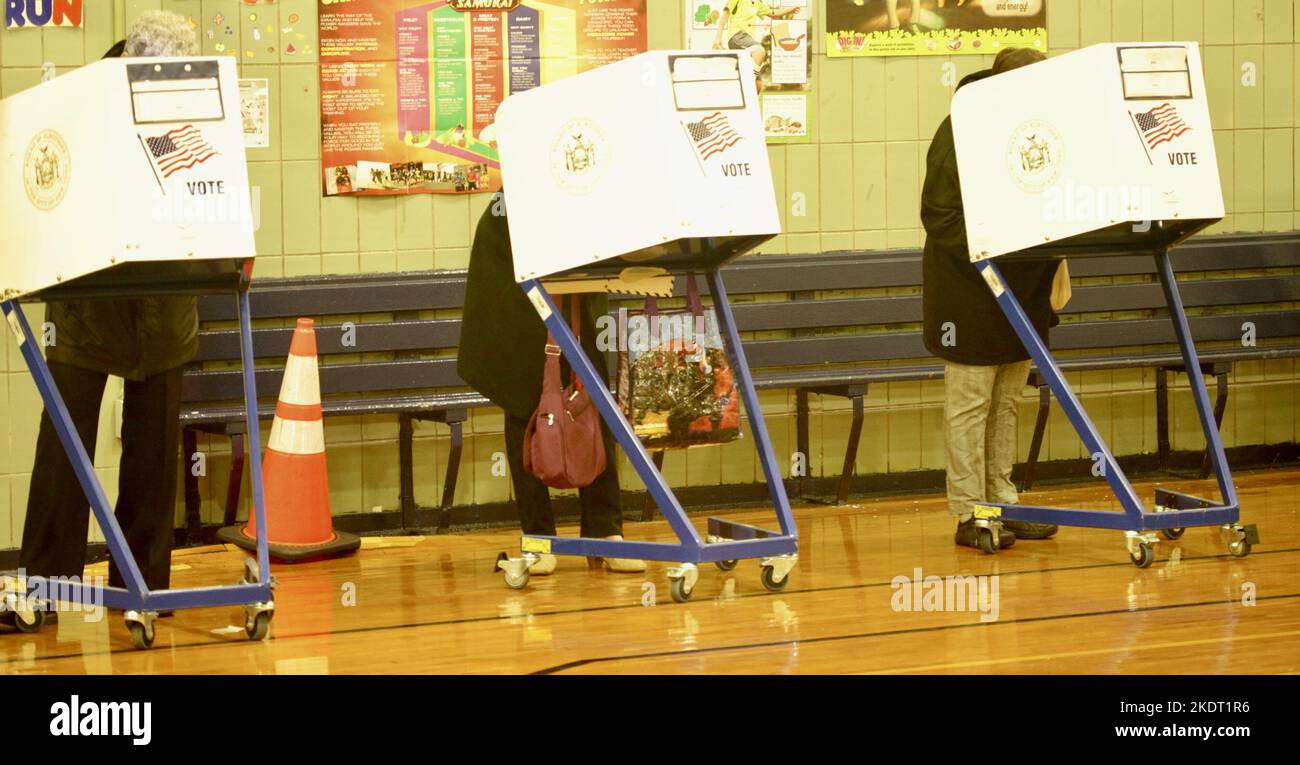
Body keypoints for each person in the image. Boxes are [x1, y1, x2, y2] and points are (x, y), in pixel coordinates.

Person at [4, 11, 201, 628]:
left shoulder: (194, 103)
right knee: (65, 446)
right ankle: (43, 584)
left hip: (165, 306)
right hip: (87, 305)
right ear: (133, 61)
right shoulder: (87, 102)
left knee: (152, 453)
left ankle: (142, 587)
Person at [457, 195, 645, 576]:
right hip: (518, 299)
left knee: (593, 401)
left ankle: (605, 532)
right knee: (523, 404)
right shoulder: (502, 209)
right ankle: (539, 538)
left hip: (575, 291)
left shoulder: (581, 183)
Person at [921, 47, 1059, 549]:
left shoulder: (1041, 128)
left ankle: (1002, 499)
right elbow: (938, 215)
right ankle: (969, 512)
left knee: (1007, 404)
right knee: (971, 404)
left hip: (1025, 287)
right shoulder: (958, 129)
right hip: (968, 290)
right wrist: (990, 250)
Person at [712, 0, 799, 83]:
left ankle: (744, 80)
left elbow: (773, 13)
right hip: (737, 36)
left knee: (758, 85)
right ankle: (747, 83)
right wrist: (718, 38)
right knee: (759, 51)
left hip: (749, 42)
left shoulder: (757, 2)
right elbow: (725, 14)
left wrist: (791, 9)